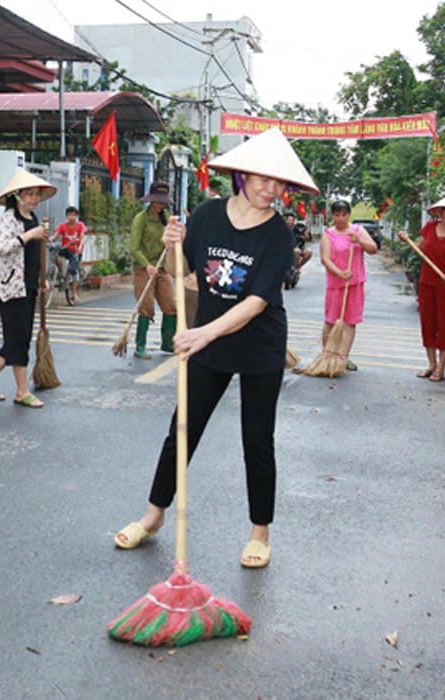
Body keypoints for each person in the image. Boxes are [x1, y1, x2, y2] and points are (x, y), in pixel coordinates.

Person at [113, 128, 319, 568]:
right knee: (182, 430)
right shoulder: (207, 215)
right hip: (208, 340)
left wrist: (204, 333)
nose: (271, 189)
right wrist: (171, 244)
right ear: (242, 175)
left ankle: (260, 533)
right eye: (263, 178)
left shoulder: (278, 235)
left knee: (257, 439)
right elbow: (184, 268)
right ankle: (153, 515)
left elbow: (256, 302)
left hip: (259, 344)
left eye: (279, 182)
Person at [0, 170, 56, 408]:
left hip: (28, 286)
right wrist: (28, 235)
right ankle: (21, 391)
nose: (34, 199)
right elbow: (1, 248)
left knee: (19, 339)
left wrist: (41, 279)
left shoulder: (34, 218)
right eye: (29, 194)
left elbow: (35, 254)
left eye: (36, 194)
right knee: (17, 340)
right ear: (17, 196)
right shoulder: (9, 219)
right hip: (11, 288)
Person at [398, 193, 445, 382]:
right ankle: (431, 364)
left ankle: (441, 367)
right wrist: (407, 240)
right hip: (427, 282)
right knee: (428, 323)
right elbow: (420, 249)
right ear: (441, 212)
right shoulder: (430, 228)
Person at [318, 199, 378, 371]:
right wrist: (340, 273)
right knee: (331, 320)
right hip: (336, 283)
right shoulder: (328, 234)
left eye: (344, 215)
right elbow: (325, 259)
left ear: (349, 215)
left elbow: (373, 249)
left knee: (350, 321)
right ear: (332, 216)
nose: (341, 218)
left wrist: (359, 241)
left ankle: (343, 357)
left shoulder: (358, 231)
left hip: (355, 283)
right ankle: (327, 355)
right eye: (337, 215)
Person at [130, 182, 177, 359]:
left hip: (162, 268)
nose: (160, 204)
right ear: (151, 200)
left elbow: (172, 240)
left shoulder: (167, 218)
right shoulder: (141, 219)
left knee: (171, 306)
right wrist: (147, 265)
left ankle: (168, 342)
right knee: (146, 307)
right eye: (157, 201)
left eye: (163, 201)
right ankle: (140, 346)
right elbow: (134, 248)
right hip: (144, 269)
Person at [50, 206, 87, 304]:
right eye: (70, 215)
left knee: (74, 271)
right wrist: (49, 239)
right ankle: (60, 273)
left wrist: (80, 246)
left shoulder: (80, 226)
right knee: (54, 252)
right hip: (66, 249)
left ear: (77, 216)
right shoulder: (62, 226)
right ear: (66, 216)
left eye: (74, 215)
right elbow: (55, 235)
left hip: (75, 251)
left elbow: (82, 237)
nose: (71, 217)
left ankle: (74, 294)